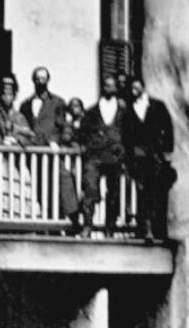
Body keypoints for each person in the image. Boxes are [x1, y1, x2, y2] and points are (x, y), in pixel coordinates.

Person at [123, 74, 176, 241]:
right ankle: (145, 229)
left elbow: (168, 128)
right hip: (138, 157)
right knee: (143, 191)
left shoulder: (157, 106)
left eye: (137, 88)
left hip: (155, 155)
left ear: (143, 88)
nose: (134, 91)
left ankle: (158, 230)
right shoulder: (129, 110)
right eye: (132, 88)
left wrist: (167, 152)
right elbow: (126, 135)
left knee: (157, 192)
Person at [74, 74, 128, 234]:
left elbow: (129, 133)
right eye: (106, 85)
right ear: (102, 87)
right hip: (95, 156)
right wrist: (86, 146)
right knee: (90, 189)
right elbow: (82, 133)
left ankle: (110, 227)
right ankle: (88, 224)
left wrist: (123, 151)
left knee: (114, 192)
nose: (109, 88)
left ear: (116, 88)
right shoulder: (91, 111)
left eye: (112, 85)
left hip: (115, 157)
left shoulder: (123, 112)